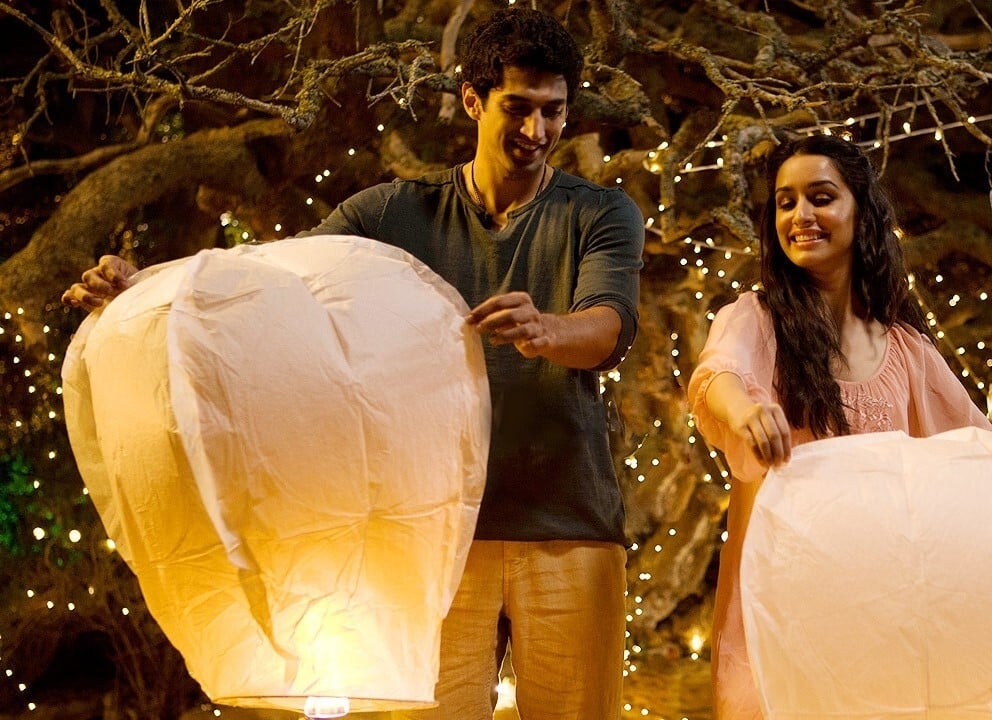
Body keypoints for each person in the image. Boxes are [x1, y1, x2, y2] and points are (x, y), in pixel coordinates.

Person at [63, 7, 644, 719]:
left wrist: (547, 329)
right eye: (517, 108)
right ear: (472, 100)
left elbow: (610, 326)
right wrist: (144, 286)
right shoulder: (392, 213)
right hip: (434, 537)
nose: (537, 130)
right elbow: (274, 281)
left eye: (553, 111)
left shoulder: (601, 212)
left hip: (568, 524)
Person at [687, 133, 992, 719]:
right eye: (785, 202)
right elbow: (717, 376)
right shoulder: (757, 319)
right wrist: (745, 411)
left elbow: (977, 453)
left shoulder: (905, 349)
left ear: (862, 212)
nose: (800, 215)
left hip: (883, 610)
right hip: (782, 607)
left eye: (821, 197)